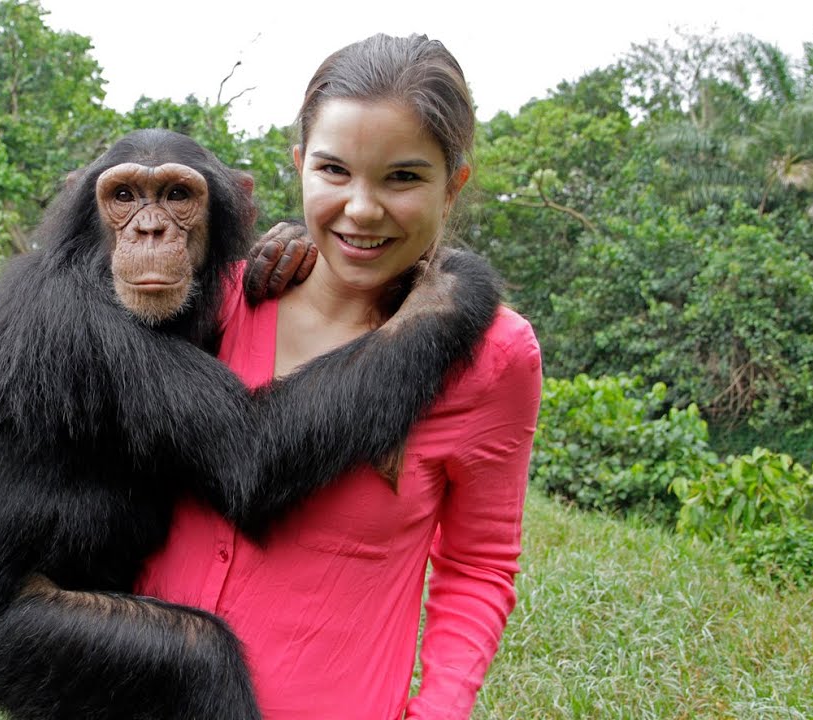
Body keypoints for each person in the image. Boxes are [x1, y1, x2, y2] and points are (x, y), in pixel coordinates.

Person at [135, 34, 542, 719]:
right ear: (299, 166)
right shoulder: (214, 297)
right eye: (333, 170)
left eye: (403, 177)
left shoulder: (494, 355)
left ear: (454, 184)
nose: (361, 209)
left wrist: (438, 710)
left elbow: (479, 565)